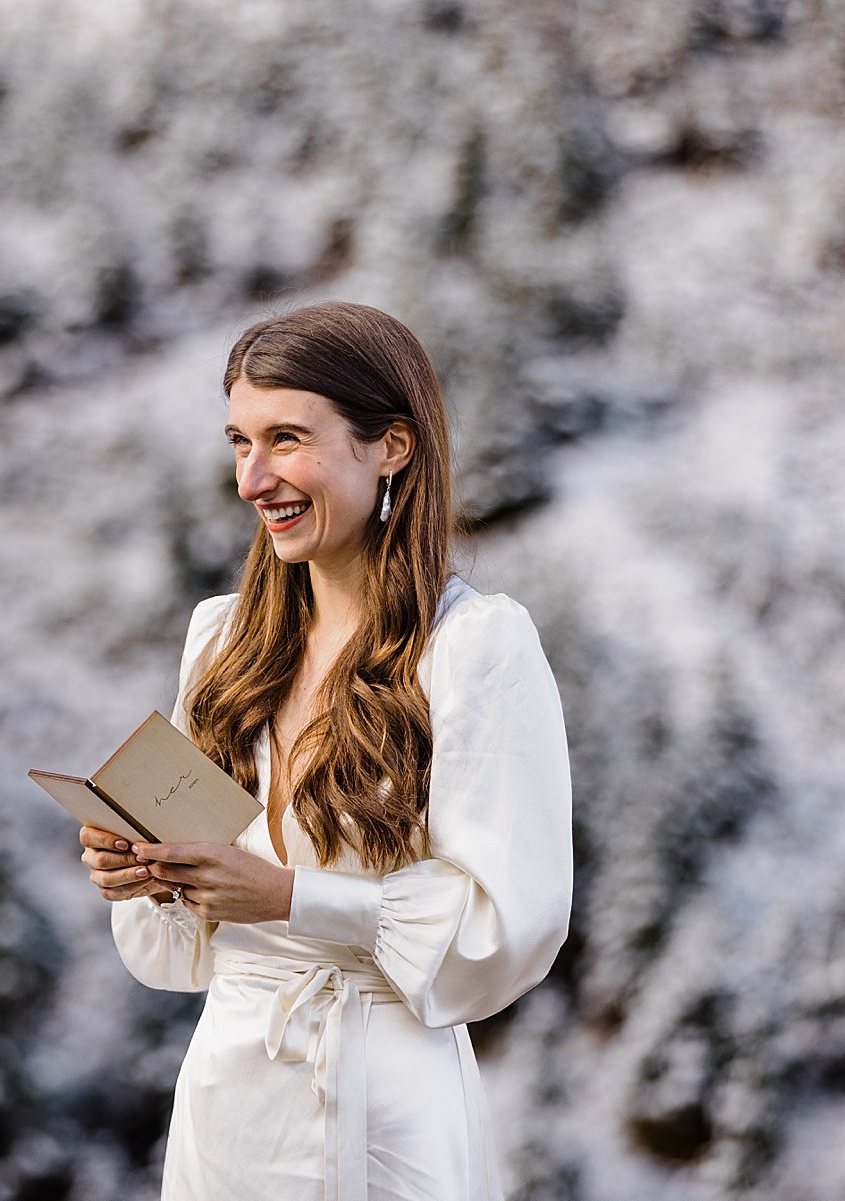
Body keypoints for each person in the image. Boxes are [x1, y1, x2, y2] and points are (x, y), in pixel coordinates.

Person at [79, 302, 571, 1201]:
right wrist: (149, 871)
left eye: (287, 438)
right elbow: (173, 952)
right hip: (229, 1095)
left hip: (384, 1107)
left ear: (393, 446)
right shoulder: (220, 641)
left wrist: (296, 898)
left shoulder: (473, 648)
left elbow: (513, 921)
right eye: (239, 441)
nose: (252, 478)